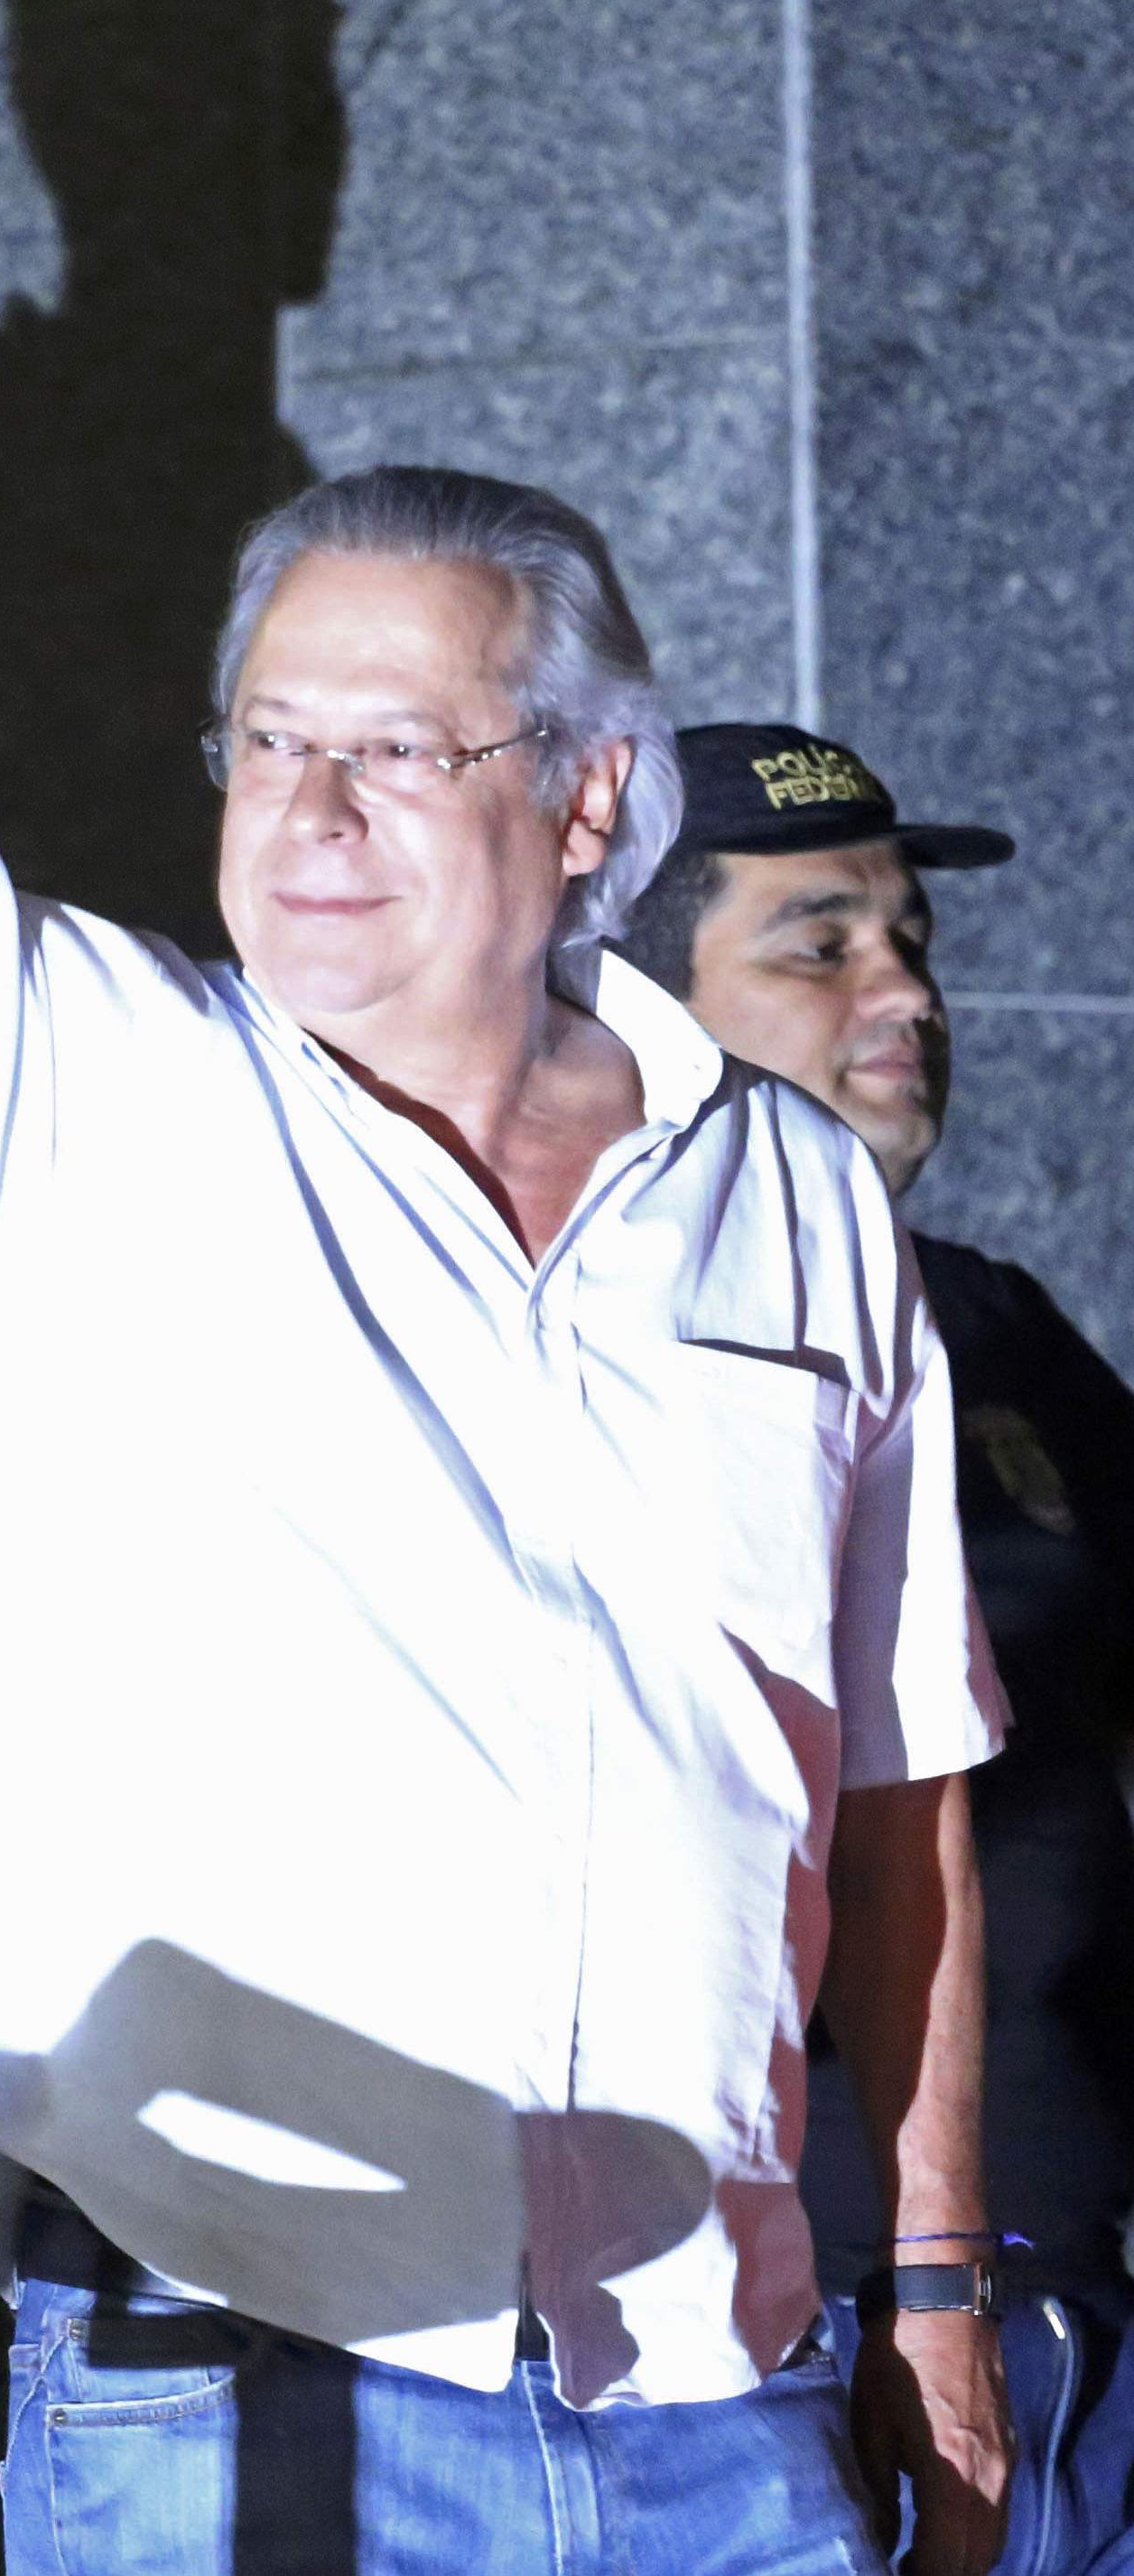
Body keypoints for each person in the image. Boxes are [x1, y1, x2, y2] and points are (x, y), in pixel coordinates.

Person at [0, 0, 1013, 2572]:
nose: (297, 811)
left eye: (389, 752)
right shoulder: (82, 1081)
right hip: (241, 2386)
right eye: (258, 741)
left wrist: (938, 2273)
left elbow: (895, 1796)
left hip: (713, 2394)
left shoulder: (790, 1201)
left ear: (587, 795)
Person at [630, 723, 1134, 2575]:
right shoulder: (579, 1353)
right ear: (640, 1000)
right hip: (773, 2356)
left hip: (1067, 2309)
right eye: (817, 945)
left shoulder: (988, 1324)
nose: (900, 993)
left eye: (910, 943)